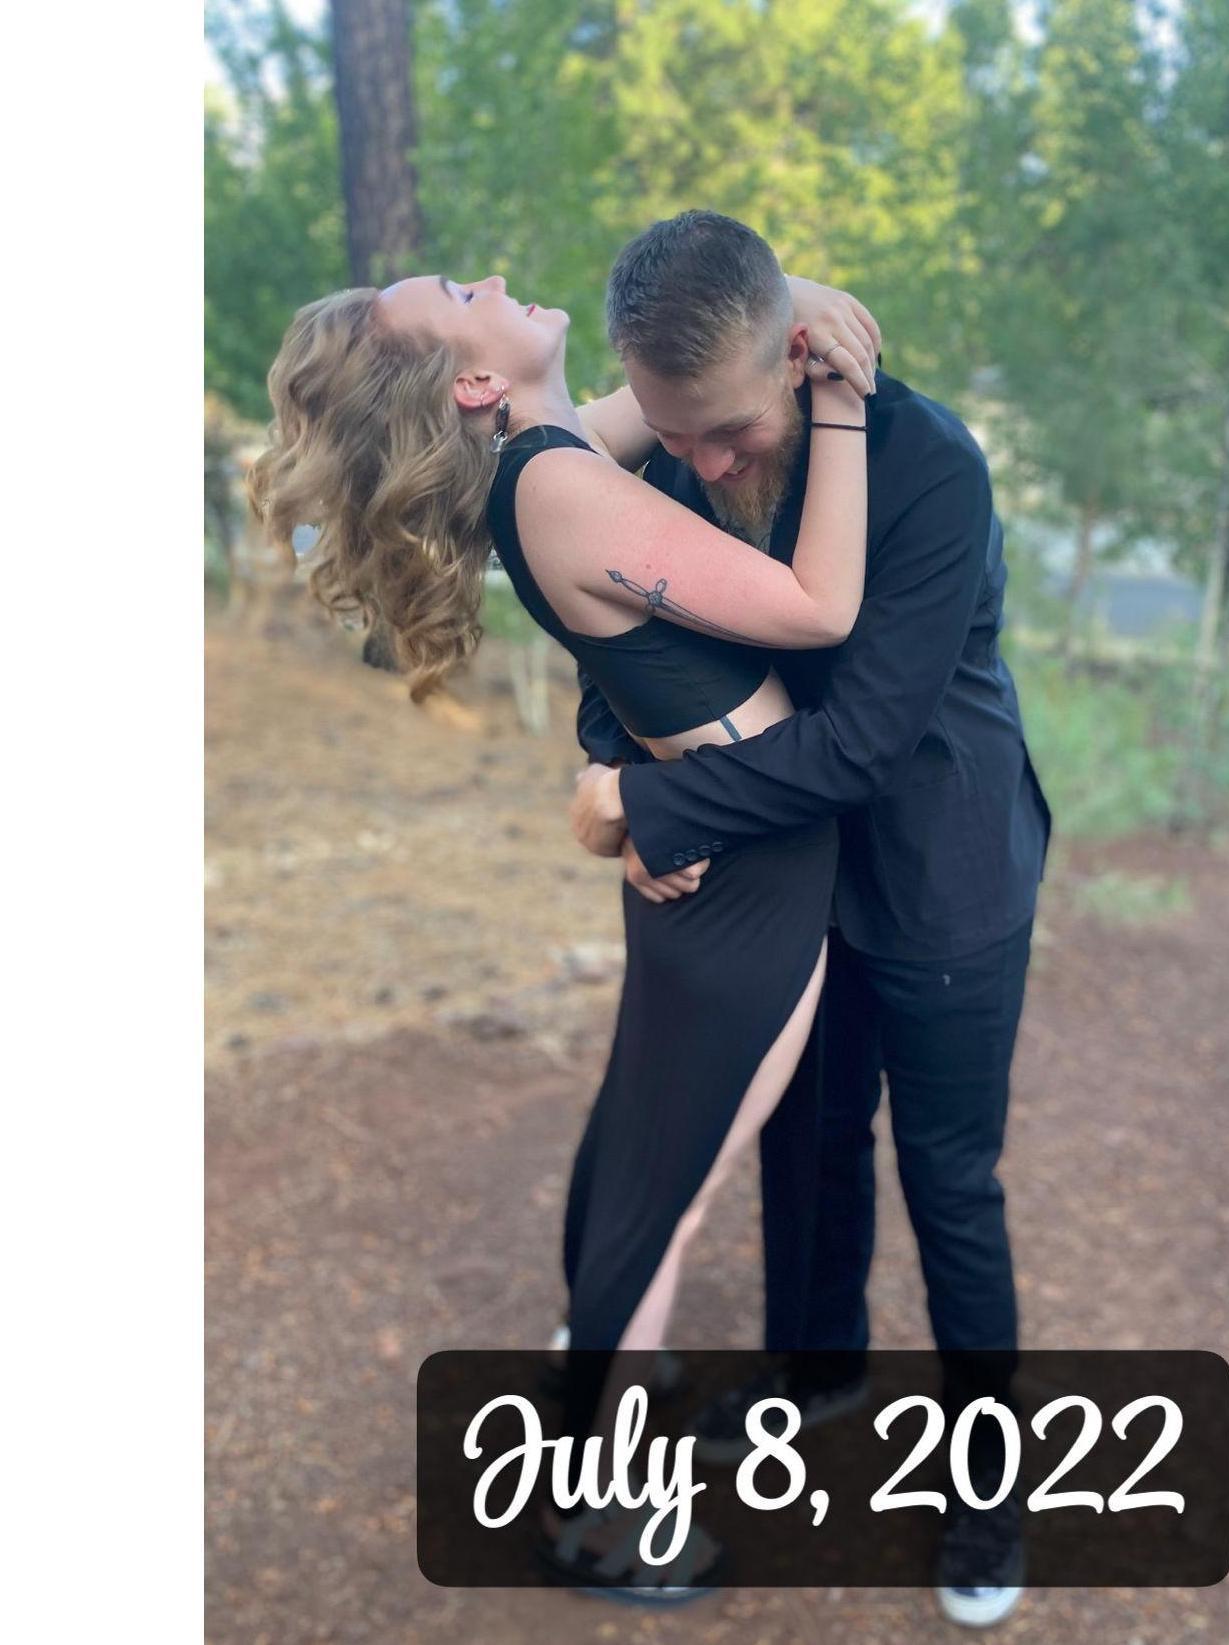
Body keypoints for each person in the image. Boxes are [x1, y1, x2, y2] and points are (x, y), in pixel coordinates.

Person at [246, 257, 880, 1600]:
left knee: (641, 1170)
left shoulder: (544, 456)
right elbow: (822, 607)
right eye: (460, 291)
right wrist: (844, 404)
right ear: (476, 380)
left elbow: (669, 389)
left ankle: (594, 1400)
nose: (492, 274)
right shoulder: (558, 486)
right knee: (667, 1207)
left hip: (711, 852)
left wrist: (780, 296)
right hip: (749, 877)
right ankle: (601, 1521)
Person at [570, 210, 1053, 1629]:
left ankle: (989, 1491)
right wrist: (610, 752)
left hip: (945, 868)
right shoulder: (678, 441)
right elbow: (626, 628)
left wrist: (652, 808)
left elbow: (866, 743)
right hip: (794, 870)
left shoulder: (931, 465)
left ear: (796, 356)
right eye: (677, 436)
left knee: (950, 1180)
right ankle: (817, 1366)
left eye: (727, 433)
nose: (705, 466)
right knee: (806, 1135)